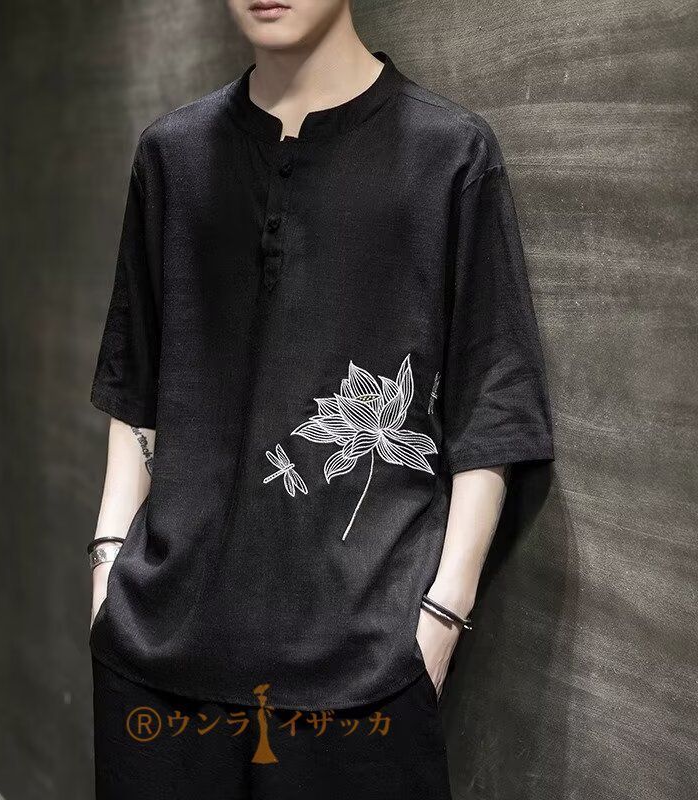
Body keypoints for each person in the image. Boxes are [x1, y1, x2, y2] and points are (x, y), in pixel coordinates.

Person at [87, 1, 556, 798]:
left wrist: (440, 620)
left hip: (362, 679)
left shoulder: (448, 154)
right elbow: (137, 386)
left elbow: (494, 405)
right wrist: (106, 569)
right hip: (156, 664)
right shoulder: (173, 155)